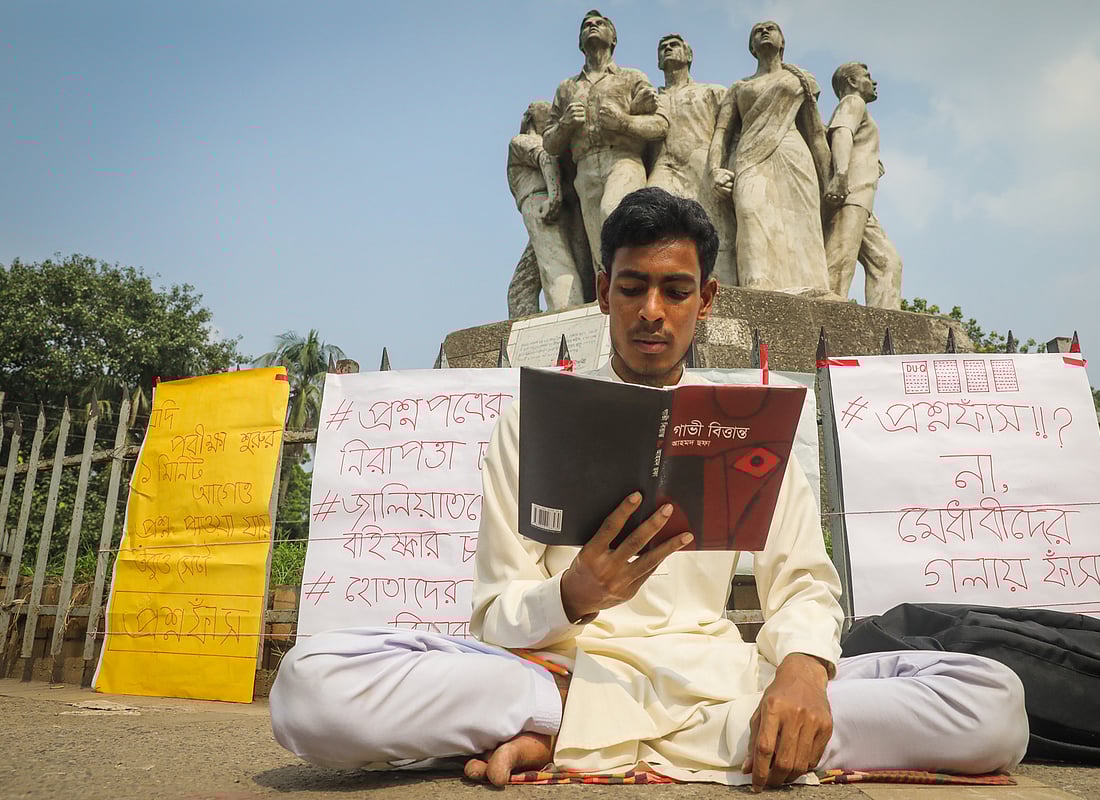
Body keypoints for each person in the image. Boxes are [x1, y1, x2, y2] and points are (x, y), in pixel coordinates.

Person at [269, 188, 1029, 789]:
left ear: (710, 298)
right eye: (633, 288)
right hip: (560, 678)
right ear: (603, 292)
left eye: (675, 289)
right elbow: (495, 616)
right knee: (311, 689)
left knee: (990, 702)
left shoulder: (747, 426)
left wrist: (802, 674)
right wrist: (572, 595)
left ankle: (577, 744)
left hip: (720, 687)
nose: (652, 312)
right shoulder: (531, 424)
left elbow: (802, 583)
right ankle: (593, 727)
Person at [708, 21, 830, 292]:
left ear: (782, 41)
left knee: (802, 224)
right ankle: (759, 290)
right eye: (756, 31)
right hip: (751, 158)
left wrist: (830, 180)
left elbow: (816, 134)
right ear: (751, 47)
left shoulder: (799, 80)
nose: (763, 32)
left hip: (793, 154)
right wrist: (713, 170)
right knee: (751, 213)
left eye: (770, 28)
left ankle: (811, 288)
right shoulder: (740, 87)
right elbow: (721, 133)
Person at [542, 10, 667, 273]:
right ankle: (611, 304)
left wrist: (623, 121)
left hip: (623, 160)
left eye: (599, 24)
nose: (592, 27)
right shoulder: (567, 87)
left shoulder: (631, 77)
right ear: (579, 42)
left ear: (613, 38)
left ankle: (638, 281)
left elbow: (659, 125)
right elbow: (549, 144)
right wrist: (565, 124)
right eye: (586, 25)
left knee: (614, 214)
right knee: (600, 247)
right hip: (585, 168)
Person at [646, 33, 737, 285]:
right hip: (664, 167)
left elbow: (734, 132)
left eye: (674, 45)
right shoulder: (650, 100)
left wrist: (725, 169)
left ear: (689, 55)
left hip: (703, 166)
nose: (667, 49)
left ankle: (725, 290)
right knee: (652, 219)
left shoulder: (711, 92)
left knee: (716, 231)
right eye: (662, 47)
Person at [823, 62, 904, 309]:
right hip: (850, 193)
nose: (874, 81)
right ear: (852, 82)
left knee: (888, 261)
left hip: (863, 199)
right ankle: (828, 315)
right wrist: (841, 174)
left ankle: (888, 327)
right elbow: (841, 133)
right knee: (839, 260)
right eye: (867, 76)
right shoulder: (852, 102)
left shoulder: (858, 108)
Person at [507, 101, 585, 310]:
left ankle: (567, 315)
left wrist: (554, 197)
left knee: (556, 266)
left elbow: (546, 158)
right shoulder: (533, 141)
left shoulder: (523, 141)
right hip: (551, 205)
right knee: (520, 286)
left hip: (541, 204)